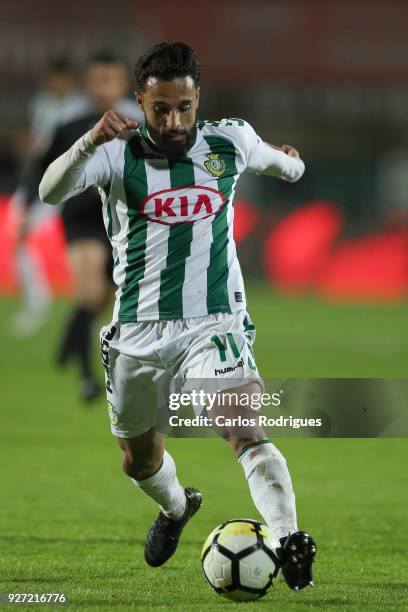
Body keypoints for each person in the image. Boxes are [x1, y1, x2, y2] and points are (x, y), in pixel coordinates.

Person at [39, 42, 316, 590]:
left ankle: (288, 539)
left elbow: (287, 167)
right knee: (138, 461)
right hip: (136, 332)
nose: (173, 121)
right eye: (160, 108)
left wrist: (294, 162)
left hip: (214, 323)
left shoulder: (228, 140)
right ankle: (176, 507)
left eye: (183, 107)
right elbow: (51, 192)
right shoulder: (117, 153)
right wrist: (91, 137)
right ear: (140, 100)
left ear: (198, 99)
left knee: (242, 428)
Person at [33, 51, 142, 401]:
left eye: (110, 80)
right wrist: (26, 208)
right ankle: (86, 377)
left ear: (124, 84)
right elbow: (42, 171)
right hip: (80, 218)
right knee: (89, 289)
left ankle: (70, 343)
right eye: (97, 80)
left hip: (121, 221)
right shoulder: (68, 125)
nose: (103, 88)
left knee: (105, 298)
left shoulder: (139, 127)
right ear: (87, 83)